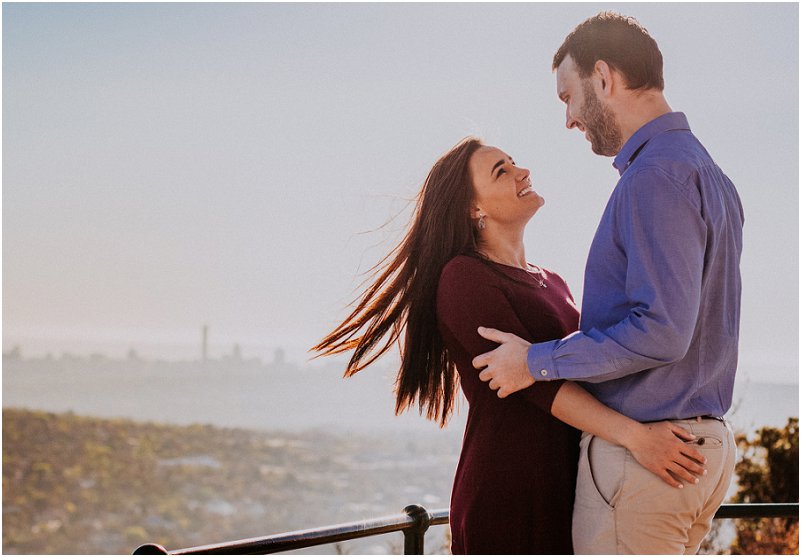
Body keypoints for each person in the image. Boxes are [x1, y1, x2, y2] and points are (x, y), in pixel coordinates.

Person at [313, 136, 706, 554]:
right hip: (509, 493)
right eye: (502, 170)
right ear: (473, 208)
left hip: (573, 487)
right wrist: (637, 438)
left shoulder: (553, 282)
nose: (522, 171)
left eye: (514, 162)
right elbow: (536, 385)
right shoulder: (464, 278)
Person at [473, 12, 743, 554]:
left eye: (568, 97)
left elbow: (662, 331)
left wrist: (534, 361)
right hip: (696, 452)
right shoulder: (708, 174)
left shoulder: (653, 179)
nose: (570, 119)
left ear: (603, 78)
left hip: (648, 462)